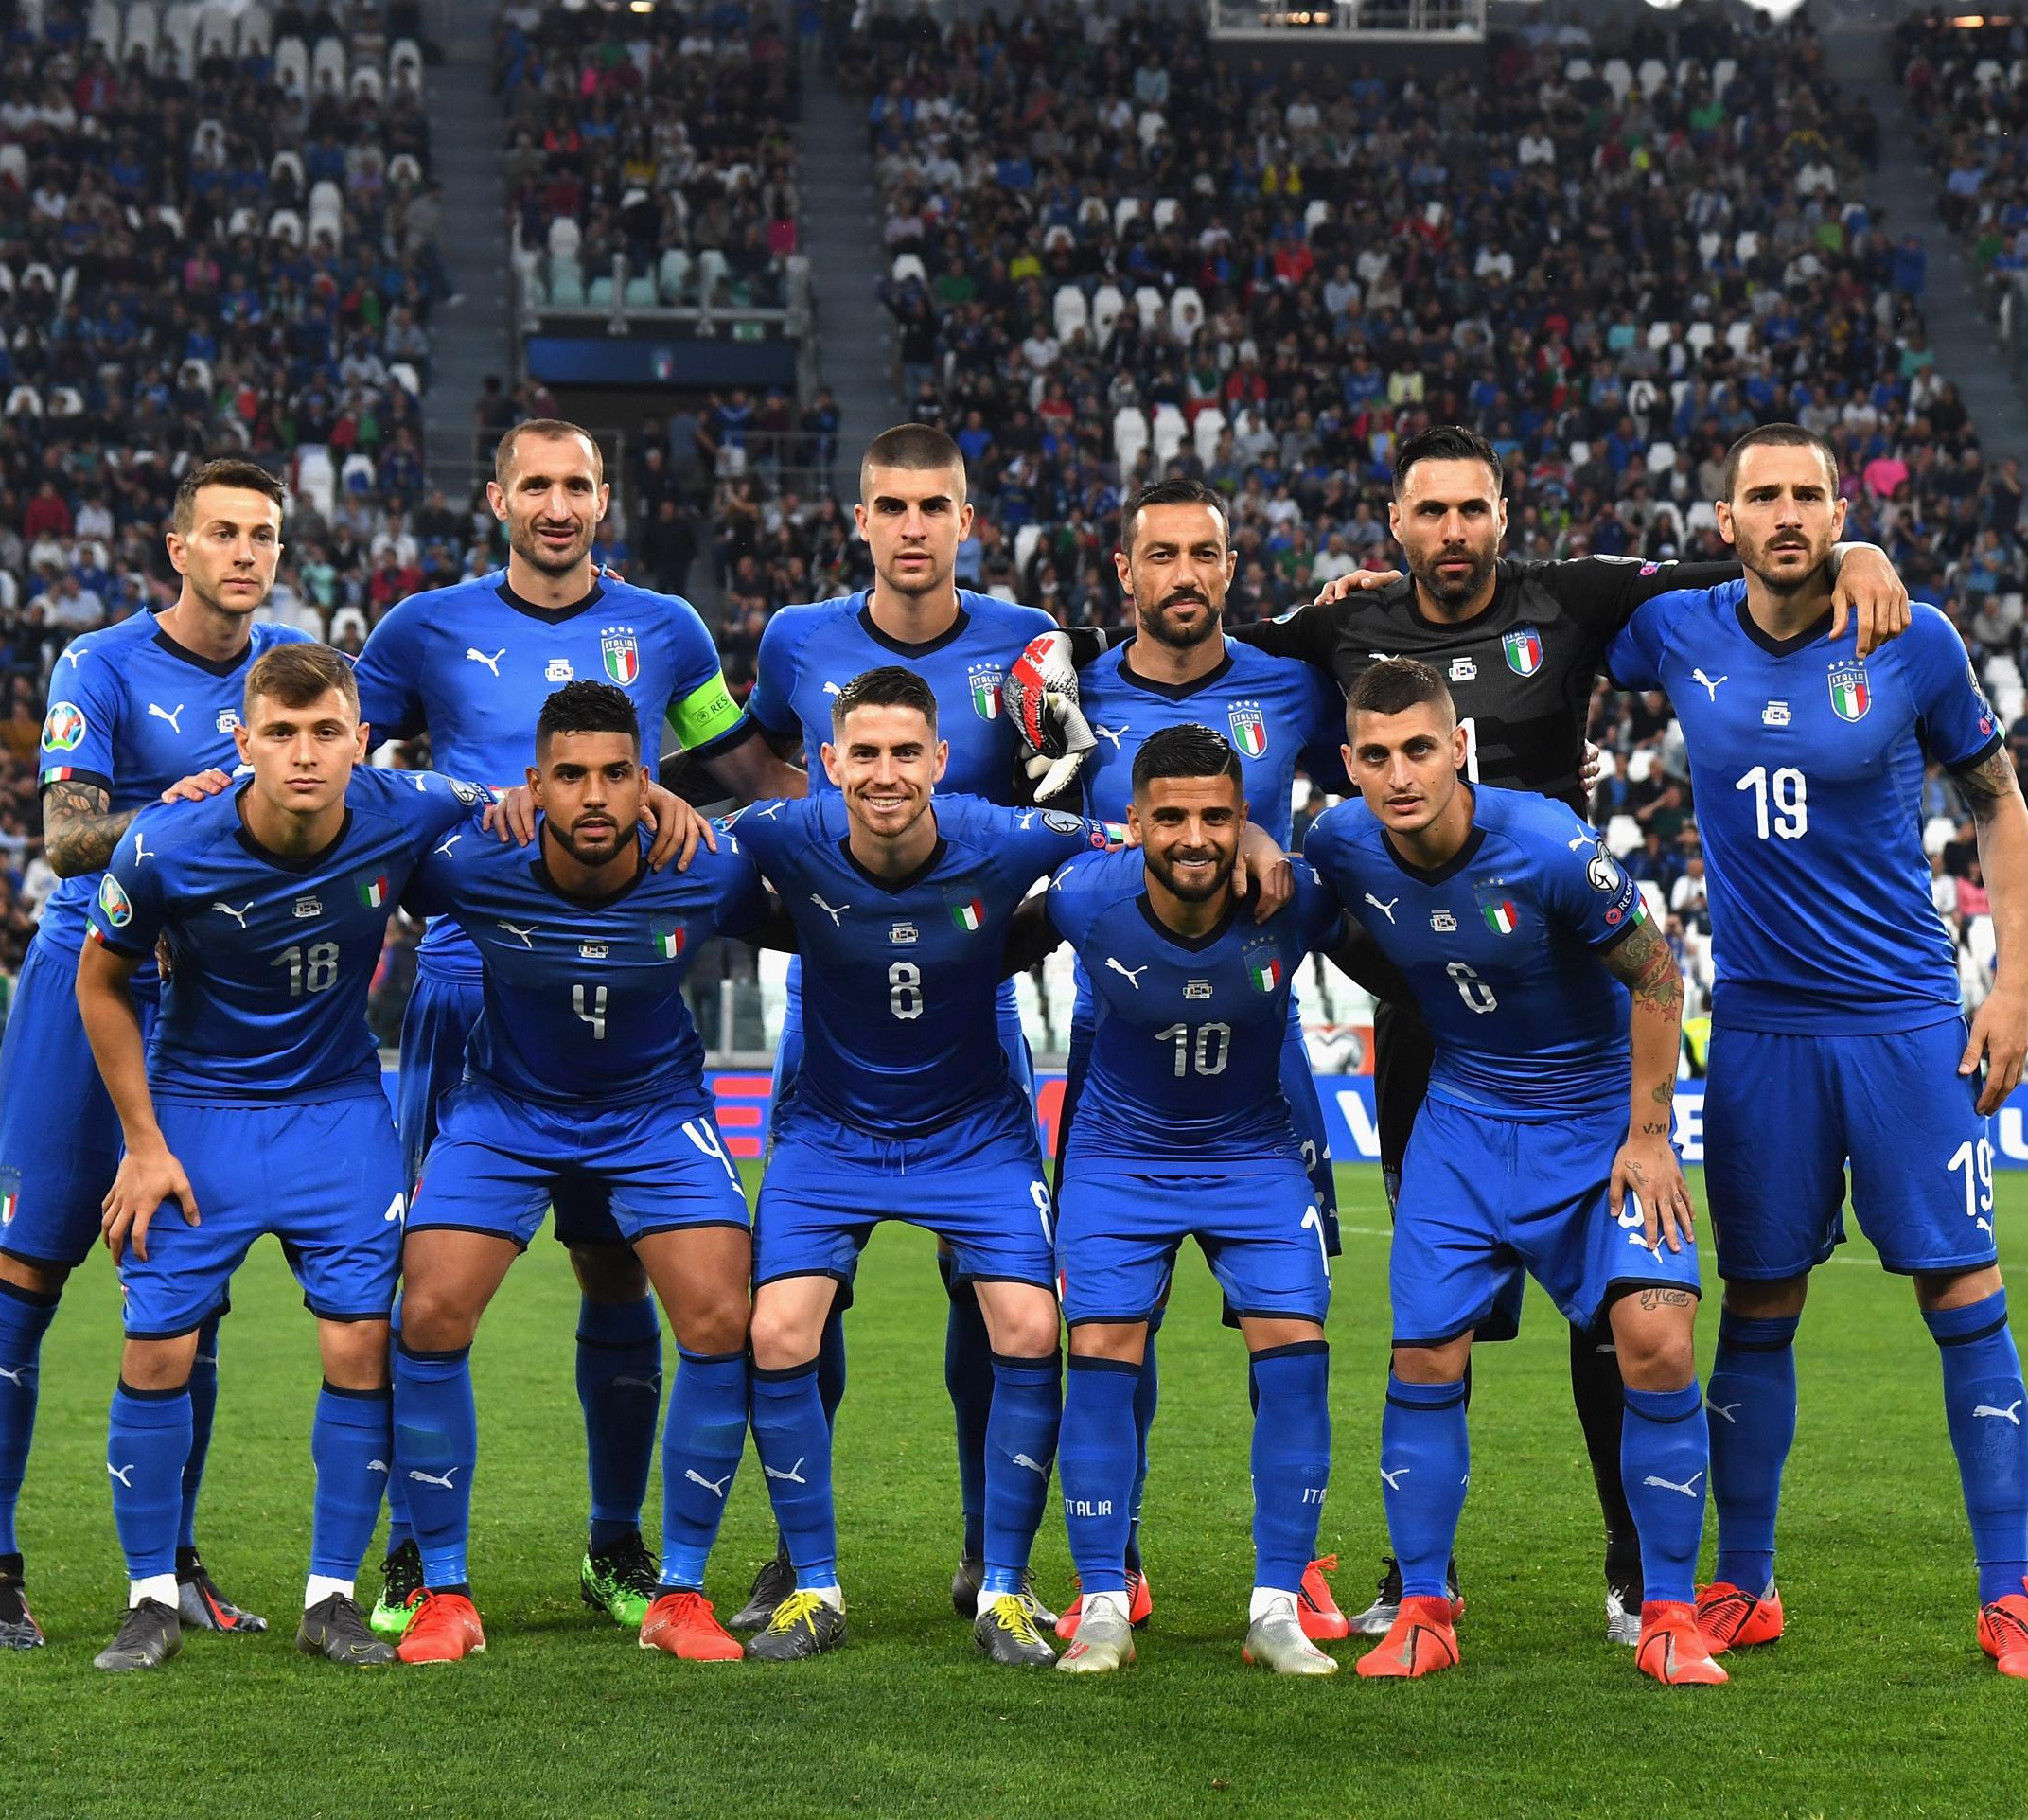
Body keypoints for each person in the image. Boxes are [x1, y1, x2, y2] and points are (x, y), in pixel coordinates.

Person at [1011, 421, 1910, 1643]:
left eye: (1470, 510)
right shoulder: (1331, 637)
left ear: (1502, 510)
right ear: (1392, 525)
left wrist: (1851, 548)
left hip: (1570, 1002)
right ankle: (1408, 1574)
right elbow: (1195, 643)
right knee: (1435, 1320)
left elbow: (1741, 571)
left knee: (1623, 1313)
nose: (1450, 533)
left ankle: (1632, 1565)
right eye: (1427, 513)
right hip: (1427, 1013)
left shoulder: (1570, 599)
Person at [1604, 423, 2028, 1679]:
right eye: (1766, 494)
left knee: (1961, 1290)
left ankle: (2010, 1591)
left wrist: (2011, 984)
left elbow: (1999, 807)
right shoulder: (1677, 629)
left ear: (1839, 509)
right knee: (1760, 1305)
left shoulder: (1916, 639)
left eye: (1815, 495)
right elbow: (1544, 600)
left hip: (1907, 1021)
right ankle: (1745, 1584)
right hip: (1758, 1028)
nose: (1791, 512)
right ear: (1726, 517)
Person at [352, 417, 802, 1635]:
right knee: (427, 1284)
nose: (556, 505)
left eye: (577, 486)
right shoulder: (418, 628)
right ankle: (412, 1554)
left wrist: (865, 843)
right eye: (534, 485)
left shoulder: (667, 630)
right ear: (496, 496)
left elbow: (748, 771)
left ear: (604, 500)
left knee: (617, 1269)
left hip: (623, 980)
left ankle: (617, 1544)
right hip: (464, 983)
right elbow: (345, 767)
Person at [724, 423, 1173, 1634]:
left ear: (965, 519)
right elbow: (761, 774)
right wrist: (831, 905)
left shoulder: (1026, 642)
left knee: (1001, 1302)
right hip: (835, 1018)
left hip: (974, 1003)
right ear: (858, 521)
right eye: (891, 507)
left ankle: (993, 1548)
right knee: (801, 1311)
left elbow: (1072, 806)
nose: (913, 527)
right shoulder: (794, 641)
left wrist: (987, 931)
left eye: (935, 506)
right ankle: (795, 1555)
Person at [1305, 658, 1722, 1687]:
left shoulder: (1545, 843)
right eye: (1376, 755)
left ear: (1459, 748)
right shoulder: (1337, 842)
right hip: (1463, 1124)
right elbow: (1325, 917)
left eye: (1418, 749)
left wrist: (1649, 1132)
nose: (1399, 774)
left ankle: (1667, 1611)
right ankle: (1424, 1609)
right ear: (1349, 764)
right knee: (1425, 1359)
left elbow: (1657, 971)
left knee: (1657, 1340)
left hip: (1595, 1128)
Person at [73, 642, 488, 1672]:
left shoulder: (412, 805)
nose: (304, 755)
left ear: (360, 738)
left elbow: (523, 805)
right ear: (242, 739)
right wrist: (141, 1143)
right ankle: (149, 1597)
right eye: (282, 734)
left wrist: (655, 802)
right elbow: (100, 980)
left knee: (358, 1347)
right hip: (199, 1113)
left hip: (338, 1112)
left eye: (325, 733)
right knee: (156, 1351)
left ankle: (330, 1598)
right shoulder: (166, 843)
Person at [0, 457, 313, 1651]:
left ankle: (173, 1567)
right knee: (29, 1267)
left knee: (184, 1302)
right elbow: (65, 841)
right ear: (179, 549)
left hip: (205, 1004)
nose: (247, 553)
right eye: (224, 533)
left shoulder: (289, 673)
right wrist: (182, 808)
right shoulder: (98, 664)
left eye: (263, 534)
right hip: (84, 984)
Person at [386, 680, 775, 1666]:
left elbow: (824, 873)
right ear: (535, 785)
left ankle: (675, 1589)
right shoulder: (474, 863)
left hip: (652, 1115)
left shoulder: (706, 863)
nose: (594, 796)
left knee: (721, 1319)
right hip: (508, 1110)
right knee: (426, 1312)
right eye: (570, 777)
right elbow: (352, 836)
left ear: (647, 783)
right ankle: (441, 1589)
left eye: (616, 775)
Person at [1028, 477, 1350, 1636]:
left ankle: (1295, 1562)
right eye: (1158, 555)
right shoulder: (1069, 691)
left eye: (1202, 554)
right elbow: (1037, 835)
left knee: (1293, 1312)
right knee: (1115, 1314)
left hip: (1265, 1064)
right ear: (1125, 570)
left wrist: (1282, 837)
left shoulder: (1294, 681)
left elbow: (1377, 780)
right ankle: (1116, 1562)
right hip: (1120, 1049)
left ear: (1229, 567)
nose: (1181, 575)